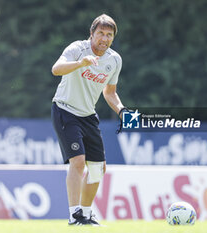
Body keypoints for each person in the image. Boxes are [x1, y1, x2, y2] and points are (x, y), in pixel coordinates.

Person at [51, 14, 127, 226]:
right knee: (78, 161)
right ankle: (74, 214)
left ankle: (85, 214)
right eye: (100, 33)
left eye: (109, 35)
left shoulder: (114, 60)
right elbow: (56, 69)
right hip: (65, 110)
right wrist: (80, 63)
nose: (104, 38)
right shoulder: (77, 49)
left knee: (97, 168)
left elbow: (110, 93)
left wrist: (122, 110)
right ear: (91, 34)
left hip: (88, 115)